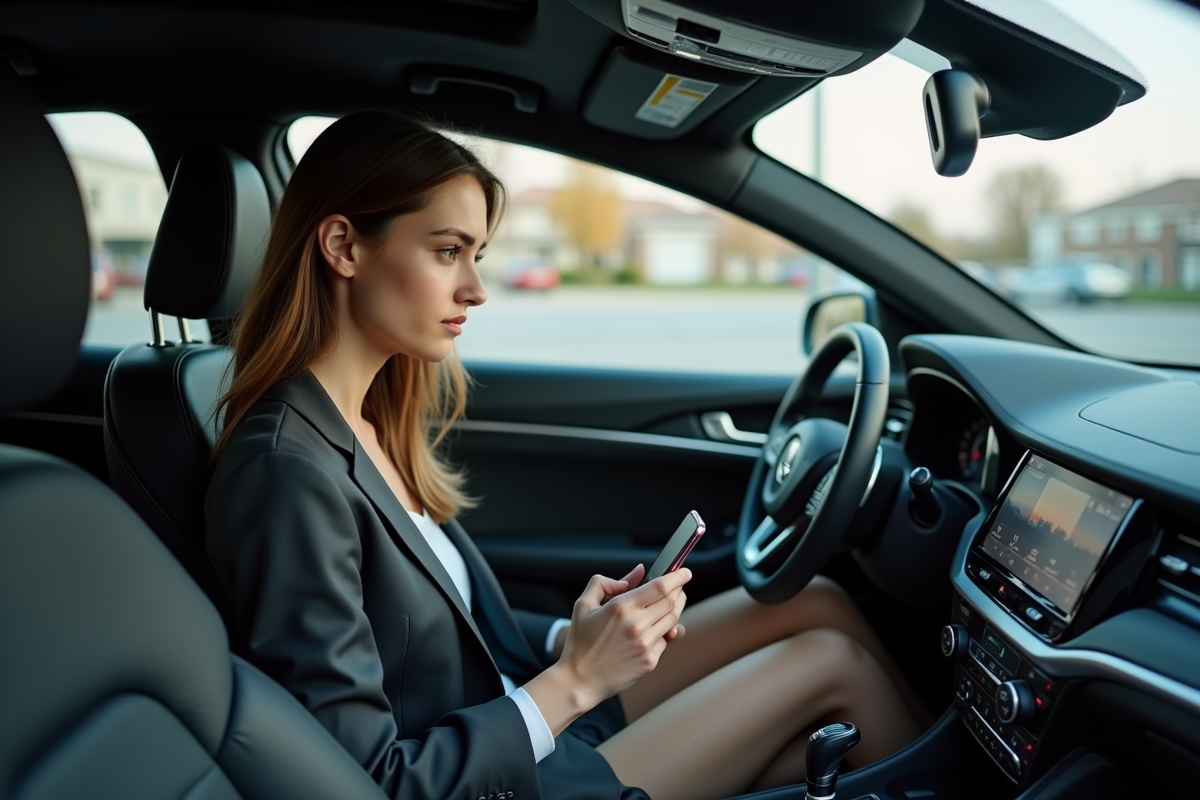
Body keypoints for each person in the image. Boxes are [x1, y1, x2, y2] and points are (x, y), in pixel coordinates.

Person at [205, 109, 922, 800]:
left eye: (477, 256)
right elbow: (370, 780)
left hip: (525, 710)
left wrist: (571, 639)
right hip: (508, 774)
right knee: (832, 667)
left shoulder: (367, 421)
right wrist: (577, 679)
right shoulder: (286, 472)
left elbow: (442, 626)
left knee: (817, 602)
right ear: (343, 247)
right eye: (448, 251)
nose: (476, 290)